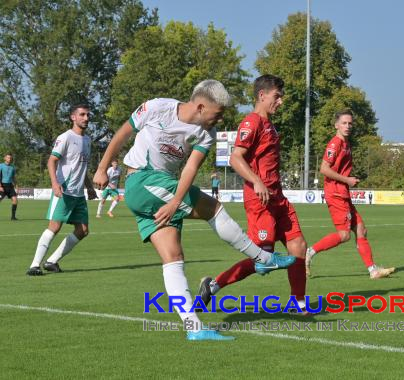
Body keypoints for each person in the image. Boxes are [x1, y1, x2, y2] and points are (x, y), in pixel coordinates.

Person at [93, 79, 295, 341]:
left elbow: (190, 168)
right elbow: (122, 134)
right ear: (200, 107)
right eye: (218, 114)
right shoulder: (157, 108)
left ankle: (194, 328)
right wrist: (101, 168)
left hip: (160, 190)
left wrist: (175, 200)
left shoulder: (206, 134)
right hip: (143, 181)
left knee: (173, 257)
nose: (220, 120)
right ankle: (263, 258)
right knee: (214, 209)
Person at [199, 75, 309, 314]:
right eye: (276, 97)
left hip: (278, 199)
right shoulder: (252, 122)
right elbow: (235, 157)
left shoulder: (270, 125)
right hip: (260, 201)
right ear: (262, 95)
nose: (280, 102)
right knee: (263, 260)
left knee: (298, 246)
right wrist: (257, 181)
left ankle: (298, 304)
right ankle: (213, 285)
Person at [305, 110, 395, 279]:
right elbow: (324, 169)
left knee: (361, 229)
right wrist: (347, 180)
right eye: (344, 123)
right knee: (344, 235)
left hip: (343, 192)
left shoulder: (346, 144)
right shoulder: (335, 144)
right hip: (336, 193)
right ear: (336, 125)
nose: (347, 126)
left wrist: (347, 182)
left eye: (350, 123)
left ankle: (373, 271)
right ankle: (309, 253)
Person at [27, 104, 98, 276]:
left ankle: (52, 261)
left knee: (83, 230)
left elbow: (82, 167)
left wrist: (89, 187)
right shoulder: (65, 137)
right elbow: (52, 161)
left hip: (79, 194)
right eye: (82, 115)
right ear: (73, 117)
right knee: (55, 226)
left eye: (88, 115)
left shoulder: (87, 140)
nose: (86, 118)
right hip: (64, 190)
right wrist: (54, 183)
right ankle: (34, 265)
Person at [0, 153, 18, 220]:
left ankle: (13, 217)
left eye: (10, 158)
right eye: (8, 157)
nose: (9, 159)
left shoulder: (13, 167)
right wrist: (0, 186)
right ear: (5, 158)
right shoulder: (1, 166)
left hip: (10, 186)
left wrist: (16, 186)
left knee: (15, 200)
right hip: (2, 185)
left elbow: (14, 178)